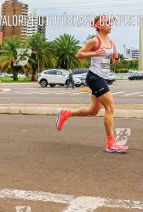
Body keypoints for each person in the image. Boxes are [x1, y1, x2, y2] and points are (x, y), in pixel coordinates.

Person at [54, 15, 127, 153]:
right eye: (107, 23)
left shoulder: (112, 43)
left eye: (111, 23)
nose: (110, 25)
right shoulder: (94, 41)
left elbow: (115, 61)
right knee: (110, 107)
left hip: (103, 78)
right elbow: (79, 54)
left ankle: (65, 113)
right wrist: (93, 53)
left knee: (93, 111)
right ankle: (111, 143)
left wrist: (116, 55)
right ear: (98, 26)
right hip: (94, 77)